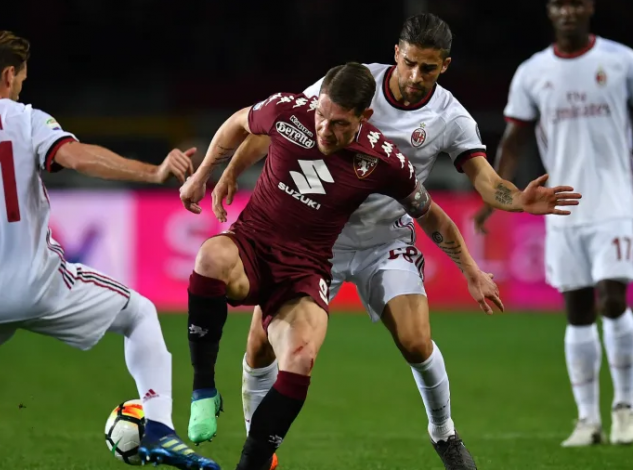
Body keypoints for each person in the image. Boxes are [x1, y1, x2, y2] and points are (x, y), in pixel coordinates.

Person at [201, 13, 581, 470]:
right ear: (396, 54)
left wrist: (516, 199)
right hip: (319, 242)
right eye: (410, 64)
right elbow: (282, 127)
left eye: (429, 68)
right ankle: (261, 448)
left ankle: (445, 435)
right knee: (260, 346)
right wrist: (230, 171)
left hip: (387, 241)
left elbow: (482, 179)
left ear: (445, 66)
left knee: (417, 340)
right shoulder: (352, 85)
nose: (416, 77)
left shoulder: (450, 117)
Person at [0, 30, 219, 470]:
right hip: (37, 287)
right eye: (22, 78)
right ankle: (161, 429)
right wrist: (153, 172)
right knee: (139, 314)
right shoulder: (25, 119)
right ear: (10, 75)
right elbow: (77, 156)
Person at [178, 61, 504, 470]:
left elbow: (431, 215)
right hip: (252, 247)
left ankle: (255, 462)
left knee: (299, 358)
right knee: (210, 257)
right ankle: (204, 389)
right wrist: (207, 174)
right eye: (321, 116)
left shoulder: (383, 160)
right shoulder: (289, 109)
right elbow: (238, 122)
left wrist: (471, 270)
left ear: (364, 118)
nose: (324, 130)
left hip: (306, 269)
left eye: (339, 124)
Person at [474, 0, 633, 447]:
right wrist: (494, 198)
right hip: (562, 209)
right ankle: (588, 421)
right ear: (549, 10)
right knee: (578, 312)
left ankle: (625, 408)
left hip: (616, 203)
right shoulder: (532, 72)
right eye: (560, 3)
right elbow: (514, 138)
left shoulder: (621, 62)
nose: (568, 11)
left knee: (613, 300)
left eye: (576, 2)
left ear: (590, 7)